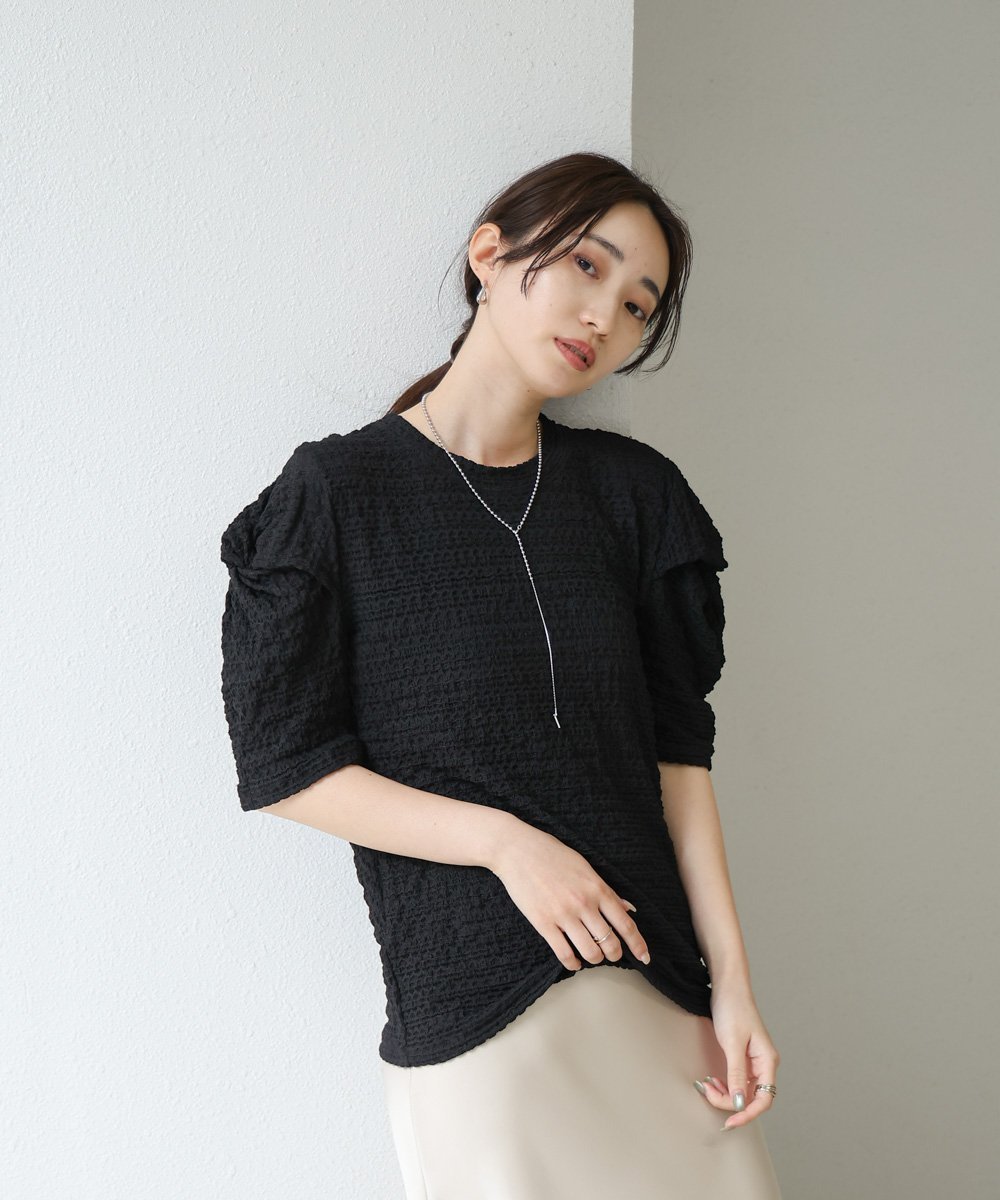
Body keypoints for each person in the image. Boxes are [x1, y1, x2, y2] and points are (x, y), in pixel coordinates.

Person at [219, 150, 783, 1198]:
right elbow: (288, 768)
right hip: (480, 1018)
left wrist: (735, 989)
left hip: (662, 997)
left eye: (638, 305)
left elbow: (679, 763)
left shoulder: (633, 498)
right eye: (586, 265)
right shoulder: (334, 495)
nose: (604, 315)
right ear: (489, 254)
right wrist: (508, 846)